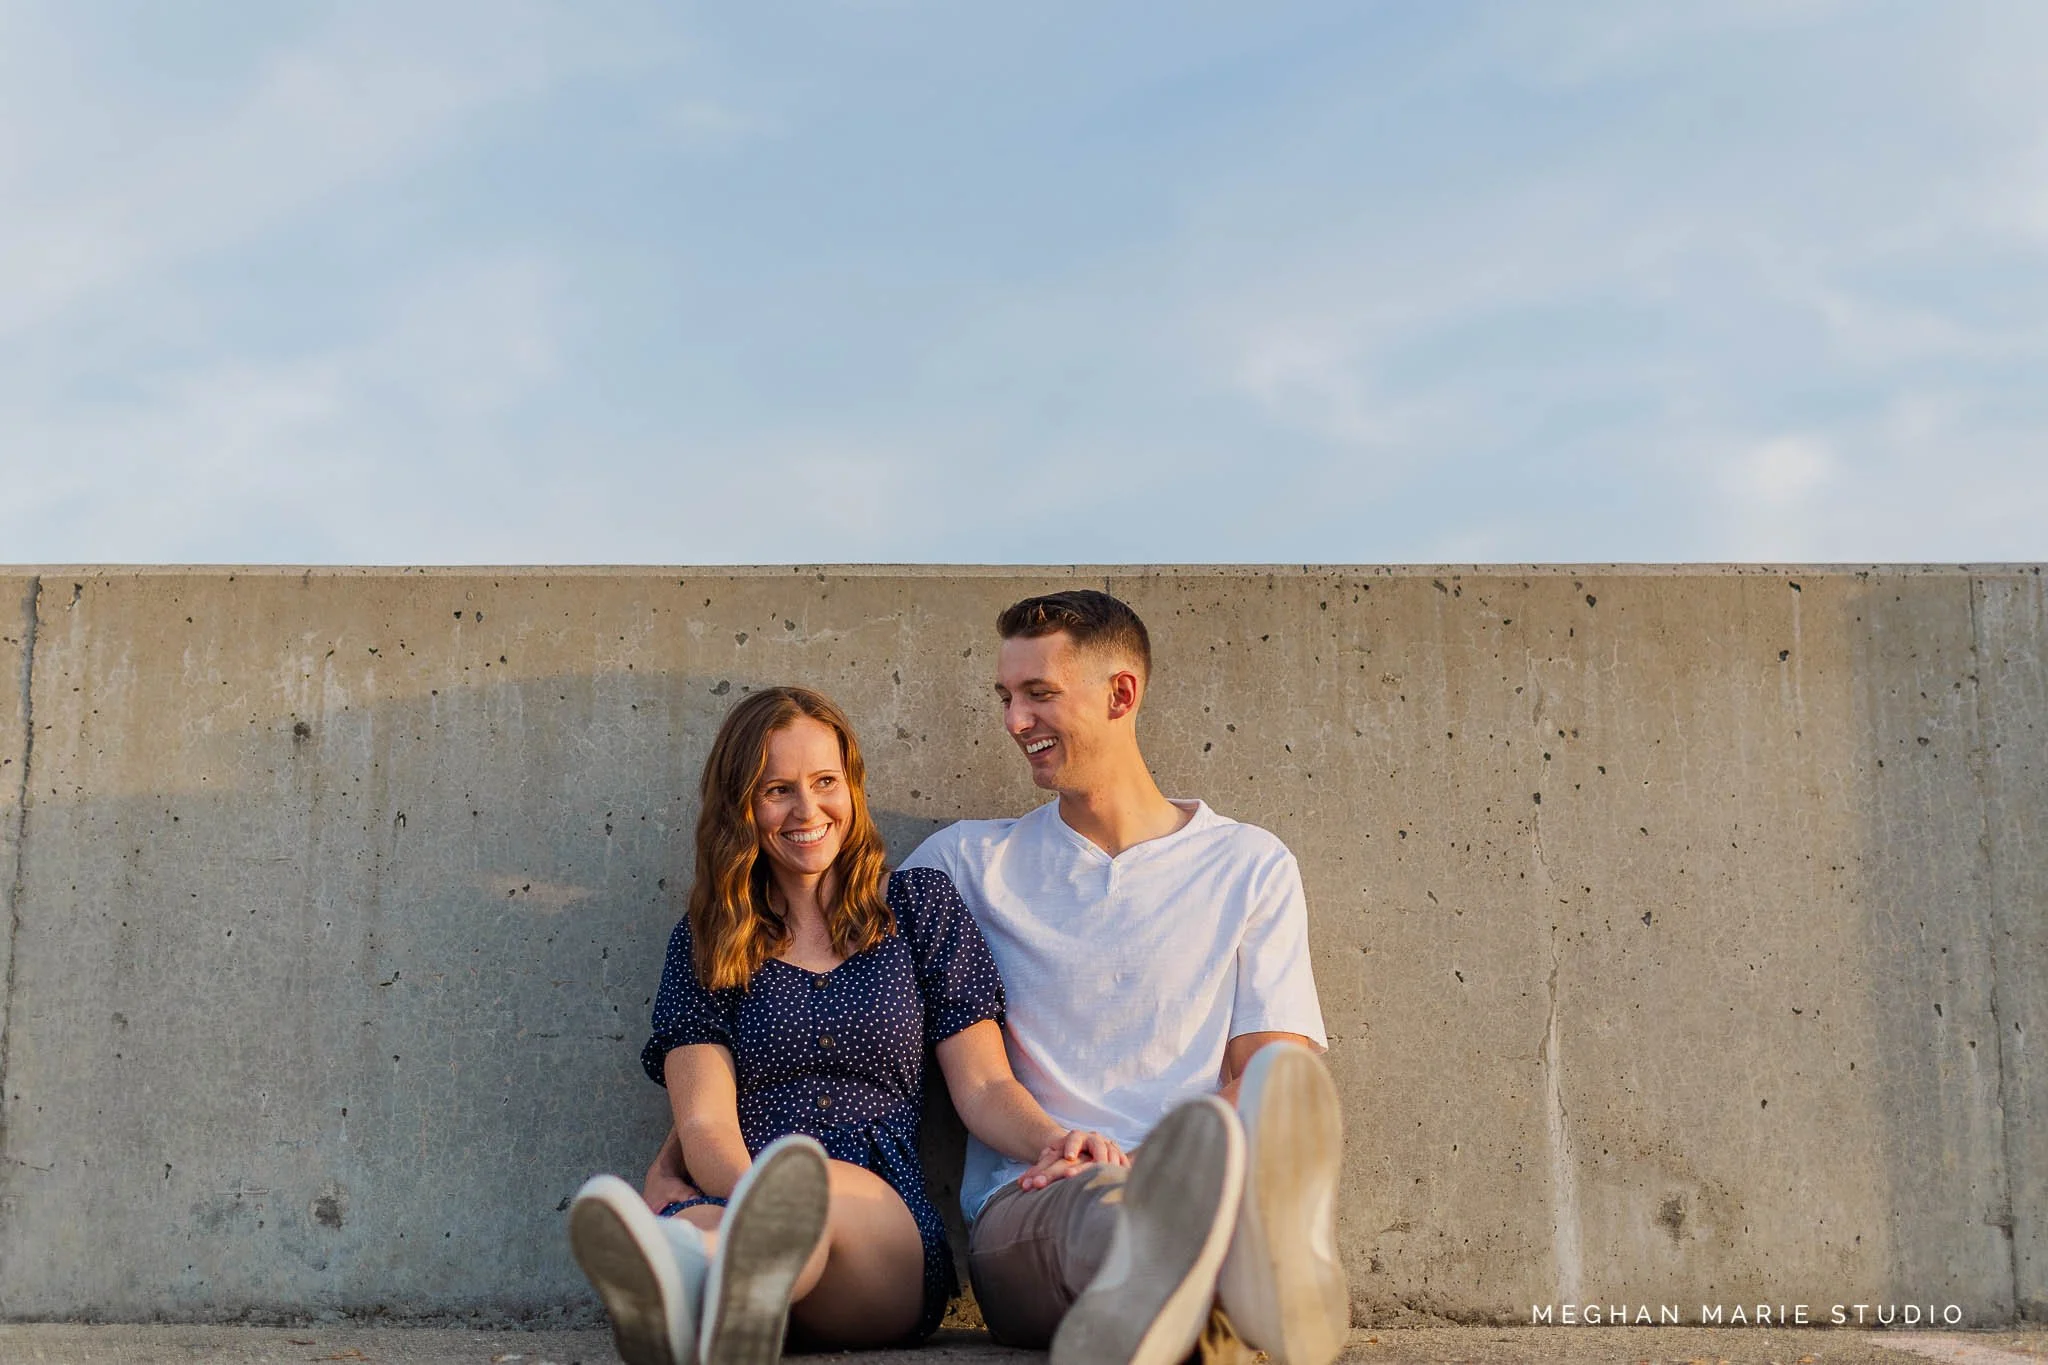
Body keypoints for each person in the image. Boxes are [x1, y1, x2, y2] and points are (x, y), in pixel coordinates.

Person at [645, 591, 1350, 1365]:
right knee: (1098, 1209)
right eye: (1006, 697)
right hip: (1039, 1190)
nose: (1014, 720)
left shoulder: (1250, 865)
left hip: (1195, 1173)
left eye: (1038, 694)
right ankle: (1227, 1283)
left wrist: (1166, 1167)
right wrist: (688, 1144)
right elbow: (830, 944)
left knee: (1268, 1095)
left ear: (1121, 694)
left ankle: (1215, 1268)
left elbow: (1271, 1078)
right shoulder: (965, 864)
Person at [571, 686, 1127, 1365]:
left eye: (825, 781)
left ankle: (705, 1292)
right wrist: (750, 1197)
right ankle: (704, 1284)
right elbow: (706, 1124)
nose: (808, 810)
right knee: (708, 1226)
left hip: (877, 1229)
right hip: (739, 1183)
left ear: (852, 786)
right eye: (778, 789)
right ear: (742, 804)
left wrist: (1054, 1139)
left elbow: (982, 1085)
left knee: (811, 1189)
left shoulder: (919, 908)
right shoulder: (706, 941)